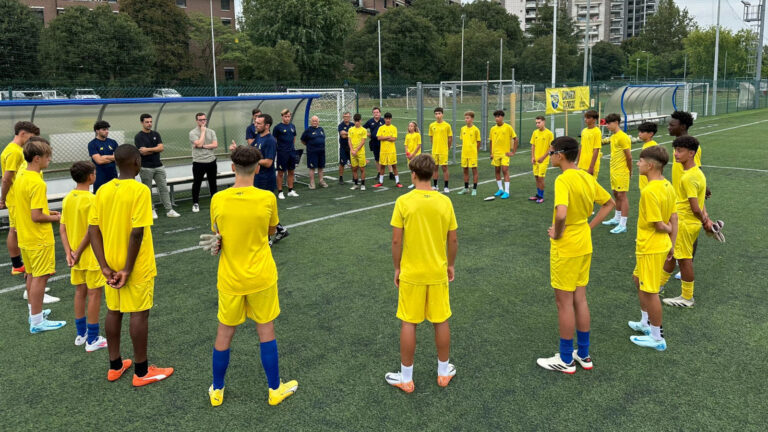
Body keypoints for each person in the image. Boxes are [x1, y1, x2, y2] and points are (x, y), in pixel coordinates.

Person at [204, 145, 299, 407]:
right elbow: (270, 231)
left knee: (225, 332)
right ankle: (274, 389)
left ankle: (218, 390)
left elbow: (217, 232)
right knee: (266, 329)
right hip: (261, 275)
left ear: (232, 168)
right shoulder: (267, 198)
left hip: (230, 277)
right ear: (257, 168)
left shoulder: (218, 199)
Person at [89, 144, 174, 386]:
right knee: (139, 312)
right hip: (134, 264)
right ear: (137, 162)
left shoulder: (103, 190)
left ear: (116, 163)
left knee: (114, 310)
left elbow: (93, 229)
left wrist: (104, 266)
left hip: (110, 261)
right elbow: (137, 233)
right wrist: (127, 268)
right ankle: (141, 371)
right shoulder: (140, 190)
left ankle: (115, 365)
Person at [537, 136, 615, 374]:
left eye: (551, 153)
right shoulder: (586, 176)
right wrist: (588, 227)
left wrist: (557, 234)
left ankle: (565, 359)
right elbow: (609, 203)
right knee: (580, 298)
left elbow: (561, 214)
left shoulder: (564, 179)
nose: (550, 157)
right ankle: (583, 354)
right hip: (583, 242)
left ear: (560, 155)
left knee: (564, 303)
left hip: (568, 246)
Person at [386, 154, 458, 393]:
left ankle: (406, 378)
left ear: (413, 174)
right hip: (437, 271)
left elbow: (397, 241)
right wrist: (450, 264)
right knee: (441, 320)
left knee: (409, 321)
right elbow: (453, 238)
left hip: (412, 273)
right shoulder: (444, 202)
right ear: (434, 174)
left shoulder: (403, 201)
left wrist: (397, 268)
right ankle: (443, 372)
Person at [627, 146, 677, 351]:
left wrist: (668, 230)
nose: (637, 164)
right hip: (657, 246)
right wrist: (672, 244)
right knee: (638, 280)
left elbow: (662, 224)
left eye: (640, 161)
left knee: (651, 291)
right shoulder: (667, 185)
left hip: (651, 246)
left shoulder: (649, 191)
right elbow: (674, 215)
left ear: (650, 165)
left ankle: (657, 338)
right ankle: (645, 323)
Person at [15, 137, 66, 334]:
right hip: (38, 237)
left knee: (31, 275)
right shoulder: (37, 182)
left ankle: (34, 314)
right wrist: (58, 218)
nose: (49, 160)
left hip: (26, 237)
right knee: (40, 277)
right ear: (37, 158)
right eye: (47, 157)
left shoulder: (22, 176)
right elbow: (36, 216)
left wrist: (48, 211)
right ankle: (37, 322)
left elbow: (31, 209)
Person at [60, 161, 108, 351]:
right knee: (94, 293)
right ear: (91, 177)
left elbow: (62, 228)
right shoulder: (91, 199)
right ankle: (93, 339)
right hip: (90, 256)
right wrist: (78, 252)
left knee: (80, 292)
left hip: (74, 257)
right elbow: (92, 229)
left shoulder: (68, 198)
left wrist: (69, 254)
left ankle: (81, 335)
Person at [661, 136, 712, 308]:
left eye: (680, 151)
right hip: (687, 223)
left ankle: (687, 297)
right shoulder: (696, 172)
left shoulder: (688, 177)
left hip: (684, 223)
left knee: (684, 259)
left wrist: (705, 221)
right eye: (675, 150)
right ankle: (657, 286)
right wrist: (705, 221)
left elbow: (695, 207)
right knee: (672, 254)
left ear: (691, 153)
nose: (675, 154)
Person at [1, 121, 38, 278]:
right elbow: (7, 178)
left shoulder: (14, 149)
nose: (32, 140)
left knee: (15, 229)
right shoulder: (15, 152)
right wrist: (2, 199)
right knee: (16, 230)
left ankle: (18, 264)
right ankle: (19, 265)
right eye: (31, 137)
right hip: (16, 198)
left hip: (17, 197)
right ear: (23, 133)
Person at [134, 114, 180, 219]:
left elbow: (161, 148)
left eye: (150, 121)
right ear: (142, 122)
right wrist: (155, 149)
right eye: (147, 122)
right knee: (147, 190)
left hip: (159, 166)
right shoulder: (138, 136)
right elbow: (143, 152)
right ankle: (151, 210)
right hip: (146, 167)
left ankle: (169, 210)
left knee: (163, 188)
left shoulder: (156, 134)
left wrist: (149, 149)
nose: (149, 124)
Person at [253, 114, 289, 243]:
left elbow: (268, 162)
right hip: (257, 177)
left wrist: (254, 160)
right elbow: (252, 152)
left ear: (267, 126)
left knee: (263, 210)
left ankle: (267, 238)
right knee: (259, 209)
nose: (256, 125)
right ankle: (280, 230)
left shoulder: (270, 140)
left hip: (265, 179)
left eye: (259, 123)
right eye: (255, 122)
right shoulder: (258, 137)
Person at [601, 113, 632, 234]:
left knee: (622, 196)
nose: (607, 125)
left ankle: (623, 224)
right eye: (606, 123)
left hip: (621, 171)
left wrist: (630, 171)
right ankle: (617, 218)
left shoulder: (622, 137)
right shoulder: (614, 137)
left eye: (609, 123)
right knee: (616, 194)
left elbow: (629, 157)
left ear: (616, 123)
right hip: (614, 170)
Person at [190, 112, 219, 213]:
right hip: (198, 162)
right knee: (197, 183)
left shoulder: (211, 131)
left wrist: (202, 146)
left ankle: (215, 202)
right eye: (200, 120)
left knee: (213, 183)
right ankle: (195, 203)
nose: (203, 122)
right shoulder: (193, 133)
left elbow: (215, 145)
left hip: (211, 160)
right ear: (197, 121)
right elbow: (199, 142)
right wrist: (202, 132)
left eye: (204, 120)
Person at [489, 110, 518, 199]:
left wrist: (513, 152)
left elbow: (515, 139)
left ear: (502, 117)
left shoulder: (508, 127)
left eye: (498, 116)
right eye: (496, 117)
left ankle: (507, 191)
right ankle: (500, 189)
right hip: (496, 154)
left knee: (505, 170)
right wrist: (491, 153)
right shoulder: (493, 129)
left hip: (505, 154)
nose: (497, 118)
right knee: (497, 171)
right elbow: (491, 141)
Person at [273, 109, 299, 199]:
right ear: (282, 116)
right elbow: (274, 140)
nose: (287, 118)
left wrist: (291, 147)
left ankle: (290, 190)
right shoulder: (277, 127)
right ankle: (280, 192)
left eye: (288, 116)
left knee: (291, 171)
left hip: (291, 152)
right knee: (280, 173)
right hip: (282, 153)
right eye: (285, 116)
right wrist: (280, 149)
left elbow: (294, 137)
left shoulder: (292, 126)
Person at [529, 116, 554, 203]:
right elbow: (533, 145)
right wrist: (532, 157)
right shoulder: (535, 132)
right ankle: (538, 195)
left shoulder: (549, 134)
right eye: (536, 123)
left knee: (541, 178)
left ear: (544, 122)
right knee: (536, 177)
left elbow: (551, 148)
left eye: (539, 122)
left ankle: (541, 196)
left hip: (543, 160)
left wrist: (543, 158)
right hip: (535, 160)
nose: (537, 124)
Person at [88, 120, 118, 193]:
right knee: (100, 198)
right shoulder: (92, 144)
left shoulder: (113, 142)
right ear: (97, 131)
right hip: (100, 177)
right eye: (104, 129)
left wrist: (104, 157)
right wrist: (112, 158)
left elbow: (118, 157)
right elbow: (99, 161)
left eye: (107, 129)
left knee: (114, 197)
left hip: (113, 176)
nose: (107, 131)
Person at [429, 107, 453, 193]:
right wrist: (434, 146)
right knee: (435, 168)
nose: (438, 115)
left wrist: (448, 147)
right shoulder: (432, 125)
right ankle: (435, 185)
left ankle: (446, 186)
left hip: (443, 151)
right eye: (436, 114)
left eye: (439, 113)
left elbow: (450, 138)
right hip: (435, 151)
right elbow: (431, 137)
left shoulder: (447, 125)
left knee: (444, 168)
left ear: (442, 114)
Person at [374, 112, 401, 188]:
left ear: (391, 119)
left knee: (394, 166)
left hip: (391, 151)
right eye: (386, 119)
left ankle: (397, 181)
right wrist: (388, 137)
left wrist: (384, 137)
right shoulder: (381, 128)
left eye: (389, 119)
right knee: (382, 166)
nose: (388, 120)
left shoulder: (394, 128)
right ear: (384, 119)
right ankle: (380, 181)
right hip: (383, 151)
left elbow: (394, 139)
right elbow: (379, 138)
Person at [300, 115, 328, 189]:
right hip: (312, 152)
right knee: (312, 168)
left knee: (321, 167)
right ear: (311, 122)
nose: (315, 122)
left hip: (321, 152)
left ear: (318, 121)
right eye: (313, 121)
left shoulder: (321, 129)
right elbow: (302, 140)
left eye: (316, 121)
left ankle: (321, 181)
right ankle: (312, 183)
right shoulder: (308, 130)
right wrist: (310, 146)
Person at [457, 111, 481, 196]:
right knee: (465, 171)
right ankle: (466, 188)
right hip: (464, 153)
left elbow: (478, 142)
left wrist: (475, 151)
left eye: (468, 118)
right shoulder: (463, 129)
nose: (466, 119)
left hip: (472, 154)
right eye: (465, 118)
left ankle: (474, 189)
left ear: (472, 119)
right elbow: (463, 140)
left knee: (474, 171)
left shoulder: (476, 129)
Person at [577, 110, 602, 178]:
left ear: (594, 120)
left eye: (588, 118)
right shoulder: (584, 131)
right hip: (581, 165)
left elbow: (596, 150)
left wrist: (591, 167)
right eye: (585, 118)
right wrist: (578, 162)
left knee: (590, 187)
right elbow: (581, 147)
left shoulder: (597, 132)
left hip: (591, 166)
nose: (586, 120)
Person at [636, 122, 659, 191]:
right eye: (639, 131)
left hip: (648, 184)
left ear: (651, 134)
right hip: (644, 182)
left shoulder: (652, 147)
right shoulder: (646, 145)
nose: (639, 134)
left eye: (642, 132)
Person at [364, 107, 386, 177]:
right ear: (372, 114)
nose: (376, 114)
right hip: (374, 142)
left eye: (377, 112)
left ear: (380, 113)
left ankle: (390, 173)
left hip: (383, 142)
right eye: (374, 112)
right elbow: (362, 129)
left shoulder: (383, 121)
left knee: (385, 158)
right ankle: (379, 173)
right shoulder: (370, 121)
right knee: (377, 158)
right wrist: (368, 134)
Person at [349, 113, 368, 191]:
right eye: (355, 121)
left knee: (362, 169)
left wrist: (356, 150)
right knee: (354, 169)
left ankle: (363, 184)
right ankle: (356, 184)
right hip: (353, 153)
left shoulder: (364, 130)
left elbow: (363, 141)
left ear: (360, 121)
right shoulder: (350, 129)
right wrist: (352, 150)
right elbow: (349, 141)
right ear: (354, 121)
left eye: (358, 121)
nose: (357, 122)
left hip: (360, 153)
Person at [403, 121, 422, 189]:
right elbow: (406, 145)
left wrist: (413, 154)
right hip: (409, 156)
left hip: (416, 155)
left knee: (417, 169)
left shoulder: (417, 135)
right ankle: (413, 183)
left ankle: (419, 183)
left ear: (414, 127)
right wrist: (407, 154)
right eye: (409, 126)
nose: (410, 127)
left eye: (412, 126)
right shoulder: (407, 135)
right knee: (412, 170)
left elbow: (419, 145)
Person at [337, 112, 353, 185]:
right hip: (343, 147)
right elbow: (342, 135)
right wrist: (351, 133)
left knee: (353, 163)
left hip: (351, 147)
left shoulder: (352, 124)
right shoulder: (340, 125)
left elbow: (346, 134)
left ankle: (354, 177)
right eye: (344, 116)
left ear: (350, 117)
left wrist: (346, 133)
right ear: (343, 117)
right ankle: (341, 177)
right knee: (342, 163)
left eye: (347, 116)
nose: (346, 118)